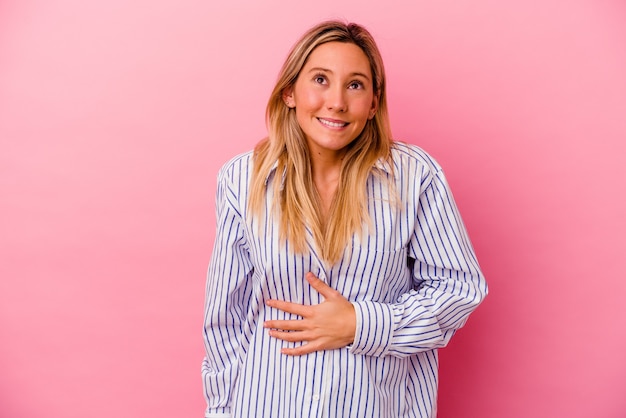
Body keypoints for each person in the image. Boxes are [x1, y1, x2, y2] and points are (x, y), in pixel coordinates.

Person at [202, 20, 488, 418]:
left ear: (373, 103)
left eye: (355, 85)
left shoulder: (415, 177)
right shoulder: (241, 180)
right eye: (321, 79)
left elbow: (459, 290)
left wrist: (361, 323)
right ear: (289, 92)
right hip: (266, 404)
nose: (336, 101)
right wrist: (220, 408)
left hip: (377, 405)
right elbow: (226, 318)